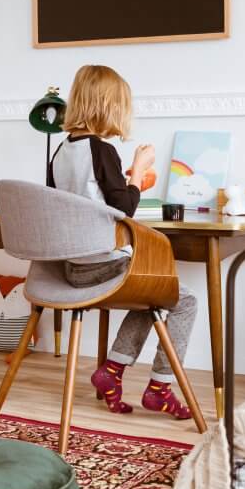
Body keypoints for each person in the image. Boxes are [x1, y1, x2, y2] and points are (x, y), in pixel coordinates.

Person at [48, 64, 196, 420]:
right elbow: (125, 207)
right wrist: (139, 169)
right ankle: (159, 387)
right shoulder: (101, 150)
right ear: (109, 107)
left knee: (153, 294)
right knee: (183, 299)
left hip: (73, 269)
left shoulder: (61, 153)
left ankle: (112, 373)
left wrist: (128, 181)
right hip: (102, 265)